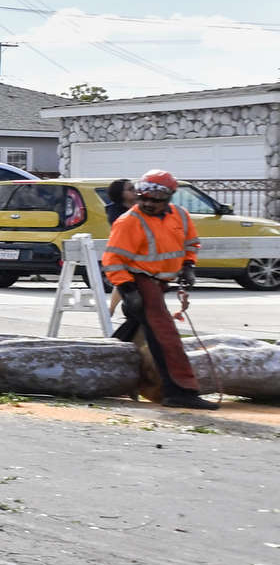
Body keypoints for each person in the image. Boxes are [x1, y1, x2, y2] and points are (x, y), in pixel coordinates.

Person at [102, 168, 213, 408]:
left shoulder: (180, 216)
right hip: (140, 281)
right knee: (165, 335)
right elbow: (113, 260)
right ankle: (180, 391)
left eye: (155, 200)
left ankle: (102, 367)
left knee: (139, 331)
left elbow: (190, 243)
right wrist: (129, 291)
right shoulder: (129, 221)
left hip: (160, 283)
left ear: (169, 198)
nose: (148, 204)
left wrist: (187, 267)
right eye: (143, 198)